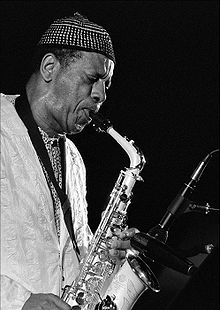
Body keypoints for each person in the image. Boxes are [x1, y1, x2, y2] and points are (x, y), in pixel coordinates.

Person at [0, 12, 137, 310]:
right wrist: (16, 301)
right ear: (50, 67)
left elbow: (70, 262)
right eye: (93, 79)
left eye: (107, 85)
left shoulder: (73, 158)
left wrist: (108, 260)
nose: (100, 94)